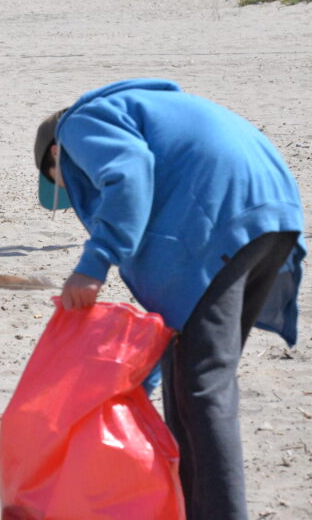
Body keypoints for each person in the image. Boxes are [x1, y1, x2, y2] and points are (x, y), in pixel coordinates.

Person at [33, 79, 305, 520]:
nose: (80, 195)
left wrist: (93, 264)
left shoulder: (78, 126)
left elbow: (128, 173)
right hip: (270, 208)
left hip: (226, 215)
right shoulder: (144, 113)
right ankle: (191, 506)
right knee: (191, 377)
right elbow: (176, 316)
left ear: (55, 155)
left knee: (202, 386)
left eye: (60, 182)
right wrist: (143, 377)